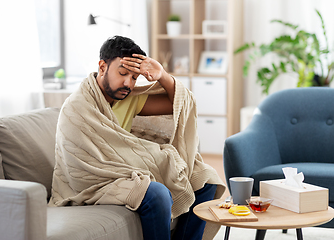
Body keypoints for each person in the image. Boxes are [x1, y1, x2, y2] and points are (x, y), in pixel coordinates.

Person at [49, 36, 226, 240]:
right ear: (102, 66)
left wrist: (162, 75)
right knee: (156, 194)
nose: (128, 83)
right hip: (95, 181)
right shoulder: (77, 106)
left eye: (134, 78)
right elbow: (80, 167)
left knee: (206, 180)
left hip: (127, 171)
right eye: (123, 73)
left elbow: (182, 104)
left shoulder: (127, 98)